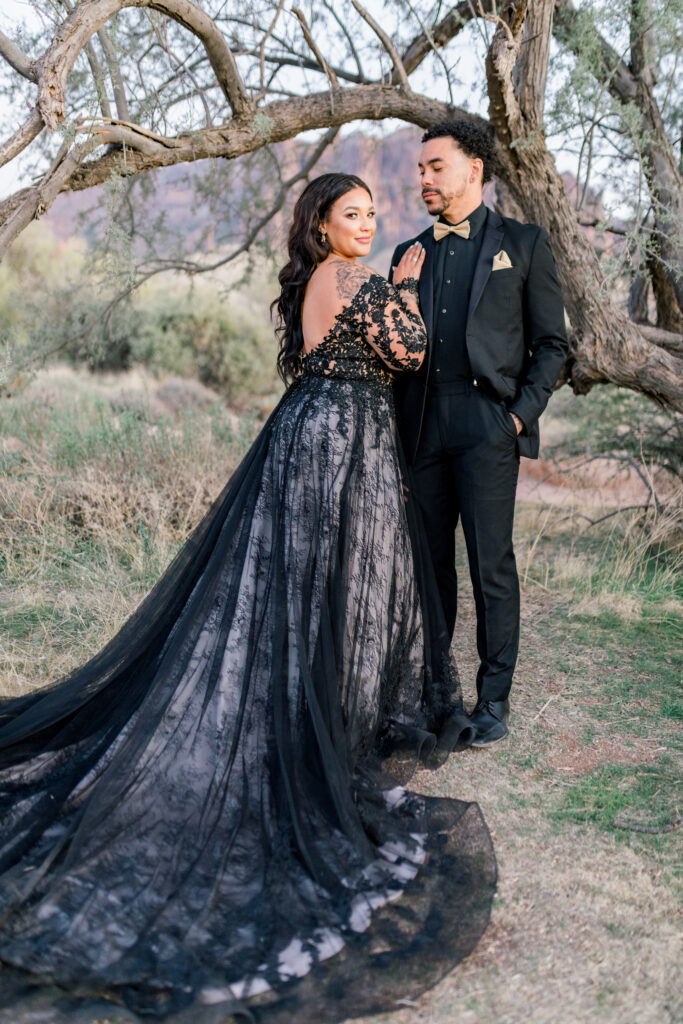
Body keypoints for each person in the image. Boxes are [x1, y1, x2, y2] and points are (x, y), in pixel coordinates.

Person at [0, 173, 495, 1024]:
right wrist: (407, 285)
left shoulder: (312, 283)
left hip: (309, 433)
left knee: (292, 588)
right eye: (353, 215)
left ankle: (311, 712)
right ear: (322, 226)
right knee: (323, 586)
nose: (368, 225)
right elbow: (411, 350)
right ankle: (314, 727)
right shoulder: (356, 279)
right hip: (339, 438)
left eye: (373, 215)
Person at [391, 122, 569, 747]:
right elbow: (395, 350)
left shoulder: (522, 244)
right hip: (421, 425)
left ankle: (493, 702)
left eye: (435, 167)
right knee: (430, 567)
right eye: (420, 170)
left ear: (474, 169)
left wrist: (518, 416)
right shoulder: (407, 253)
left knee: (490, 565)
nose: (425, 179)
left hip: (487, 422)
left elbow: (554, 345)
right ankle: (439, 693)